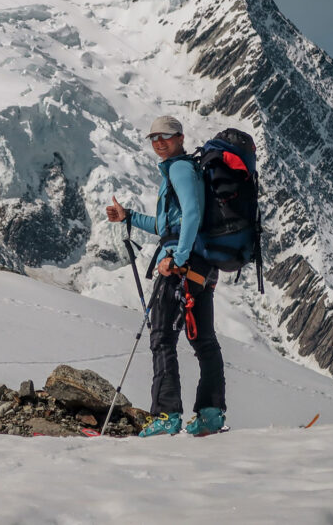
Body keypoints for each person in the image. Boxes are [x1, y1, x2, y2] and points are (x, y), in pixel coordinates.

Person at [105, 115, 227, 437]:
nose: (159, 142)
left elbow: (191, 215)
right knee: (203, 340)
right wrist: (129, 217)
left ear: (180, 137)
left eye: (166, 136)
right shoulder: (185, 170)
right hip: (202, 267)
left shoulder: (179, 169)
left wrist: (177, 257)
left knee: (162, 337)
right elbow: (166, 226)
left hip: (181, 267)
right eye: (154, 138)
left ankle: (166, 416)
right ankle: (211, 414)